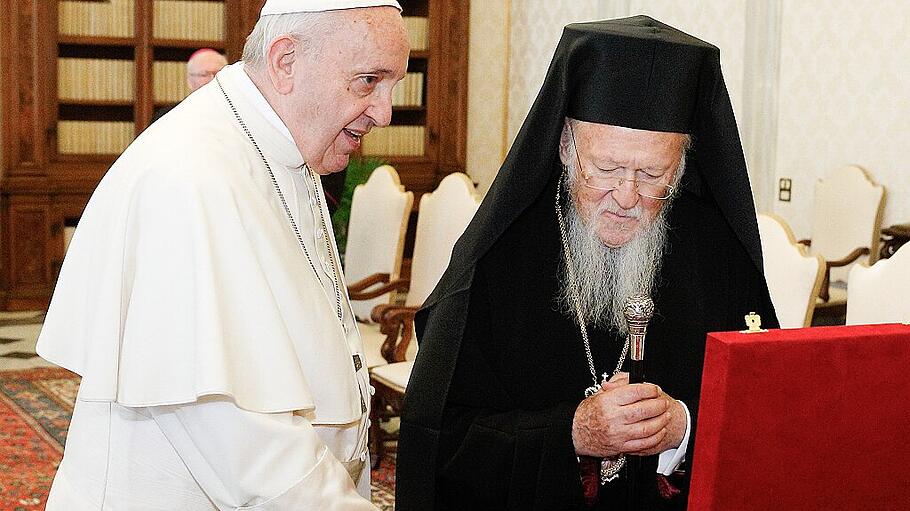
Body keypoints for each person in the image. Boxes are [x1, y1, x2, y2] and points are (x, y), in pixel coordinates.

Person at [395, 16, 778, 510]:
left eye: (653, 174)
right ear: (564, 148)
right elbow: (442, 438)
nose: (626, 195)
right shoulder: (499, 261)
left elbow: (769, 412)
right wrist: (571, 432)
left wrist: (685, 426)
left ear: (681, 166)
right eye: (606, 168)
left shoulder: (718, 255)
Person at [36, 0, 408, 509]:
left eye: (394, 87)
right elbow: (241, 438)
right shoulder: (191, 176)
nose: (385, 113)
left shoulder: (285, 150)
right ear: (285, 61)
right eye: (368, 81)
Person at [149, 48, 229, 124]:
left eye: (218, 74)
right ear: (190, 81)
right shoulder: (168, 116)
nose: (212, 79)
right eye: (204, 74)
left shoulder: (236, 113)